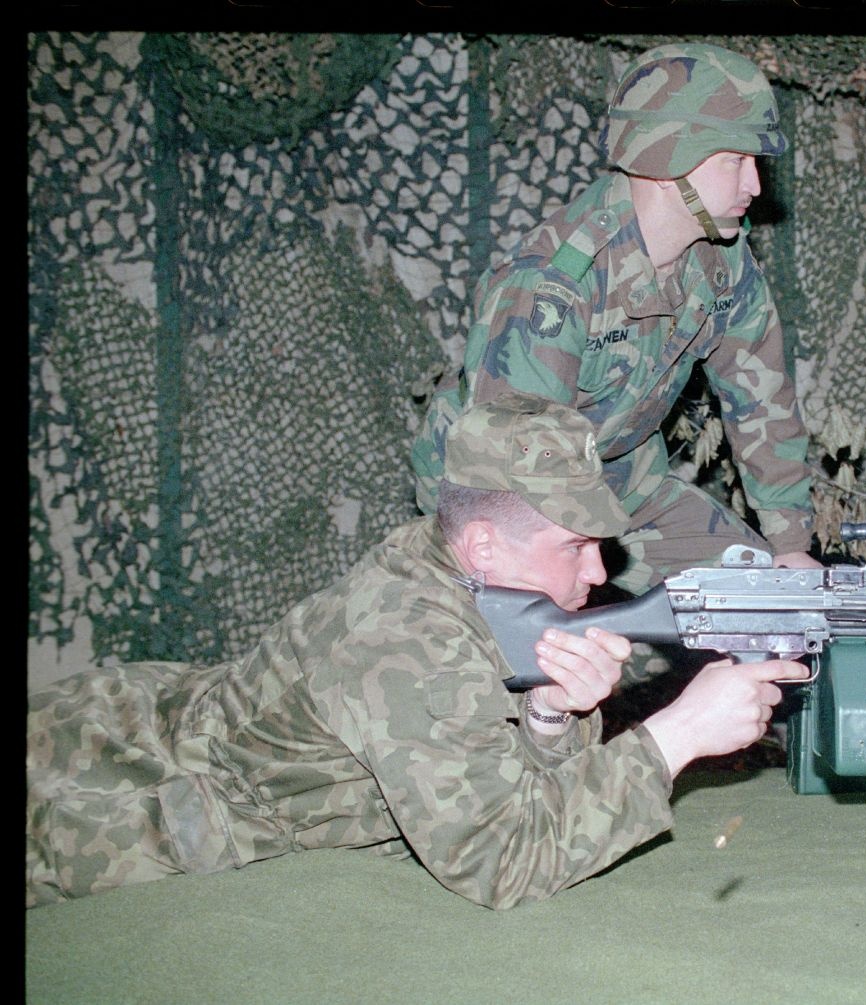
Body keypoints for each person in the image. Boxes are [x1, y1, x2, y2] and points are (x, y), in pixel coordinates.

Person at [27, 394, 807, 910]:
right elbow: (500, 857)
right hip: (114, 791)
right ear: (483, 545)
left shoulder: (447, 567)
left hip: (148, 708)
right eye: (576, 548)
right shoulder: (408, 643)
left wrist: (543, 715)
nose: (600, 571)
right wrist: (679, 735)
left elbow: (493, 763)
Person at [411, 42, 819, 597]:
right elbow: (508, 472)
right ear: (666, 156)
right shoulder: (554, 283)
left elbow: (762, 403)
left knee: (758, 598)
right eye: (735, 161)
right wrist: (569, 576)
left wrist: (791, 545)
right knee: (540, 645)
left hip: (622, 476)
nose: (755, 185)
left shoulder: (724, 264)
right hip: (500, 500)